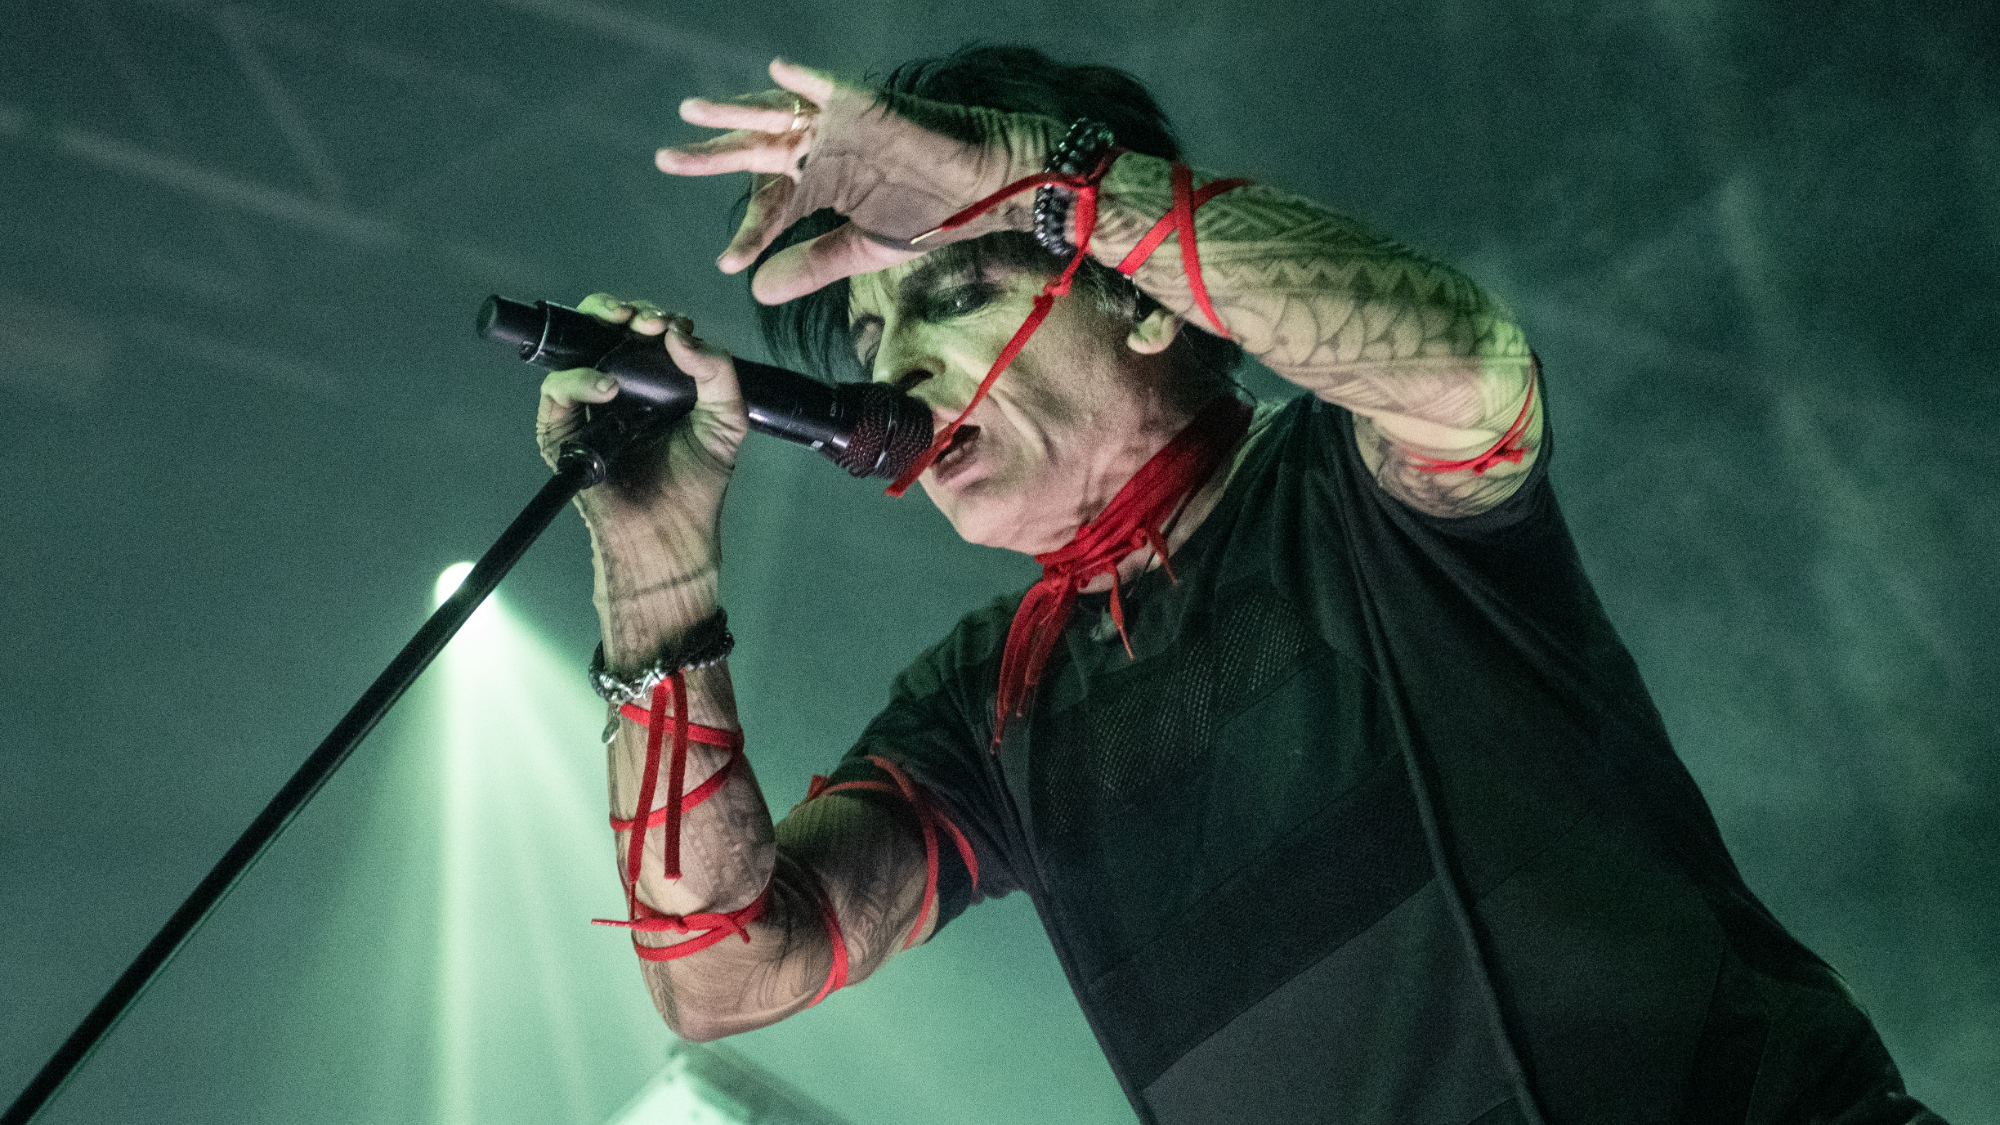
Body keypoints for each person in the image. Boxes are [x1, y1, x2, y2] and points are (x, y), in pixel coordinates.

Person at [536, 46, 1942, 1125]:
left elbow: (1465, 368)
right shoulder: (987, 702)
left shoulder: (1352, 485)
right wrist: (656, 573)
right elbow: (725, 971)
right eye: (870, 326)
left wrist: (1049, 176)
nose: (893, 364)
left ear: (1144, 302)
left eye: (950, 291)